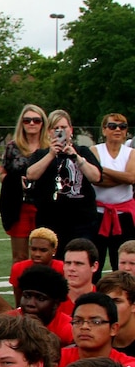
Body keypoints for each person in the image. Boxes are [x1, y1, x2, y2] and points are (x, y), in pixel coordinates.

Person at [26, 109, 102, 257]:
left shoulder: (83, 152)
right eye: (56, 128)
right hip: (50, 219)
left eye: (64, 127)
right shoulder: (41, 154)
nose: (60, 131)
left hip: (81, 220)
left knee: (79, 258)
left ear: (71, 130)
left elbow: (96, 177)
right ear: (49, 131)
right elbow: (31, 174)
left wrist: (76, 157)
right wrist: (51, 154)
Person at [0, 104, 48, 262]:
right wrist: (15, 181)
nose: (32, 123)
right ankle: (20, 287)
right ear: (22, 123)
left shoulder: (50, 147)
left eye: (36, 120)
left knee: (45, 255)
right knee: (20, 256)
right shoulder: (13, 147)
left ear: (43, 123)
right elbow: (3, 174)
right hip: (19, 206)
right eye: (27, 120)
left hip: (45, 206)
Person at [55, 292, 135, 367]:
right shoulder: (56, 359)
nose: (84, 327)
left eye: (95, 322)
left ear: (113, 329)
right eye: (78, 321)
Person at [93, 112, 135, 271]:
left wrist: (103, 170)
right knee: (97, 260)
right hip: (98, 215)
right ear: (104, 130)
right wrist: (121, 178)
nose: (117, 129)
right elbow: (96, 179)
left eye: (122, 126)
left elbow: (131, 178)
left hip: (124, 217)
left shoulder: (131, 153)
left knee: (124, 264)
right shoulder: (95, 150)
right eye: (112, 126)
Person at [98, 270, 135, 357]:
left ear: (133, 305)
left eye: (116, 301)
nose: (109, 307)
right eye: (105, 301)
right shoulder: (94, 341)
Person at [59, 238, 100, 316]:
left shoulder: (104, 301)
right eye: (68, 263)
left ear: (94, 266)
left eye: (78, 263)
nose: (71, 268)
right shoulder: (51, 302)